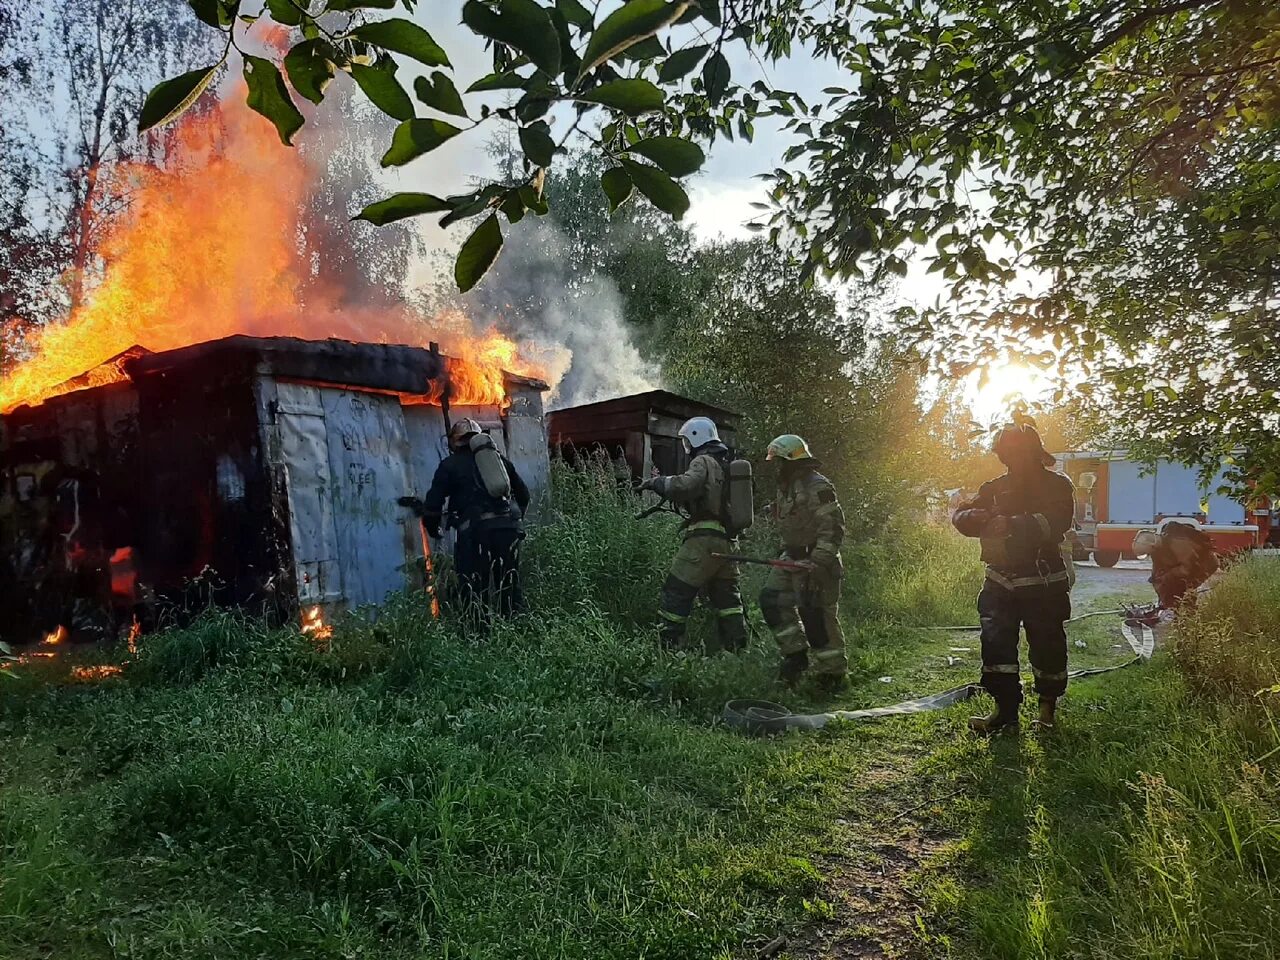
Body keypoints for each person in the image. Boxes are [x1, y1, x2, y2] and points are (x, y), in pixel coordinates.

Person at [952, 423, 1075, 733]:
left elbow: (1056, 522)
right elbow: (963, 515)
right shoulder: (994, 488)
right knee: (995, 645)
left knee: (1047, 646)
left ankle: (1046, 713)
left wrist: (1011, 524)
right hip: (1000, 579)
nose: (1009, 459)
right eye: (1005, 453)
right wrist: (972, 517)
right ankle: (1005, 713)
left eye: (1015, 452)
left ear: (1034, 453)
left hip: (1041, 580)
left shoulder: (1057, 486)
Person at [400, 418, 530, 618]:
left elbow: (434, 505)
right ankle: (516, 631)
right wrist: (513, 520)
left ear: (455, 441)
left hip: (476, 534)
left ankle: (479, 637)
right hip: (508, 530)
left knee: (474, 589)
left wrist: (434, 529)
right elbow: (524, 495)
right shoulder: (500, 461)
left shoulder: (449, 465)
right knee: (509, 586)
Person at [639, 417, 748, 654]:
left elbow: (685, 486)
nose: (686, 447)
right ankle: (738, 652)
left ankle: (668, 650)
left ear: (697, 437)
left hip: (704, 540)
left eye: (687, 441)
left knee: (676, 590)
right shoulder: (725, 465)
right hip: (728, 543)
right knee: (728, 600)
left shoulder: (703, 461)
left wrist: (656, 482)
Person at [758, 434, 848, 690]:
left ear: (791, 460)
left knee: (817, 617)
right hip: (792, 557)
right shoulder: (788, 486)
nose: (777, 467)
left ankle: (832, 675)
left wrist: (817, 562)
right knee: (771, 599)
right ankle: (795, 657)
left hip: (816, 561)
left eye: (779, 461)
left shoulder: (817, 486)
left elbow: (833, 528)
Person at [1132, 518, 1218, 613]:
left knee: (1184, 586)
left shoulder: (1178, 544)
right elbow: (1157, 574)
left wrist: (1167, 577)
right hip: (1186, 566)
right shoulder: (1156, 550)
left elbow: (1187, 569)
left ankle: (1188, 613)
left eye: (1147, 552)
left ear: (1152, 546)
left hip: (1205, 564)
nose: (1149, 555)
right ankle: (1174, 608)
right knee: (1168, 582)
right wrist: (1159, 588)